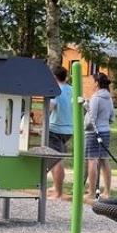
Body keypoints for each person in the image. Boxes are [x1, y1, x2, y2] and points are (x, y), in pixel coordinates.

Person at [85, 73, 115, 199]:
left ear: (97, 83)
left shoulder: (96, 98)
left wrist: (86, 107)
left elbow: (91, 119)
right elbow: (111, 117)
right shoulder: (108, 98)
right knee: (104, 160)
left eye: (92, 81)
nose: (91, 83)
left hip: (94, 133)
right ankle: (107, 192)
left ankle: (91, 192)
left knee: (92, 160)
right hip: (106, 131)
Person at [47, 66, 73, 200]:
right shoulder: (72, 90)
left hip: (55, 128)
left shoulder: (55, 91)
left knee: (56, 160)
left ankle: (58, 192)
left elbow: (50, 108)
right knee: (57, 158)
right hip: (69, 130)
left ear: (54, 77)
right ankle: (55, 186)